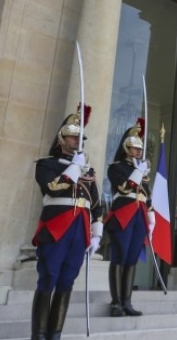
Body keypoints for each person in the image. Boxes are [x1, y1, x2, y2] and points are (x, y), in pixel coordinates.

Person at [31, 104, 104, 339]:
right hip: (56, 227)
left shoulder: (87, 169)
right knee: (49, 277)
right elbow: (52, 188)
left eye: (80, 138)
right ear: (62, 138)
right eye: (73, 137)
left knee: (67, 281)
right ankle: (39, 334)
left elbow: (95, 204)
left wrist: (96, 234)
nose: (77, 141)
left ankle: (55, 334)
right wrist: (74, 167)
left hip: (79, 229)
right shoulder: (47, 164)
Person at [105, 118, 154, 317]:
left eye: (140, 149)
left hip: (139, 215)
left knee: (132, 257)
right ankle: (116, 302)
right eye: (134, 148)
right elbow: (123, 187)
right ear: (126, 148)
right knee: (120, 256)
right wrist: (137, 173)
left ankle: (127, 301)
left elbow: (146, 196)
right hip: (123, 213)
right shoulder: (116, 167)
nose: (138, 152)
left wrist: (151, 216)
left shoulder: (142, 171)